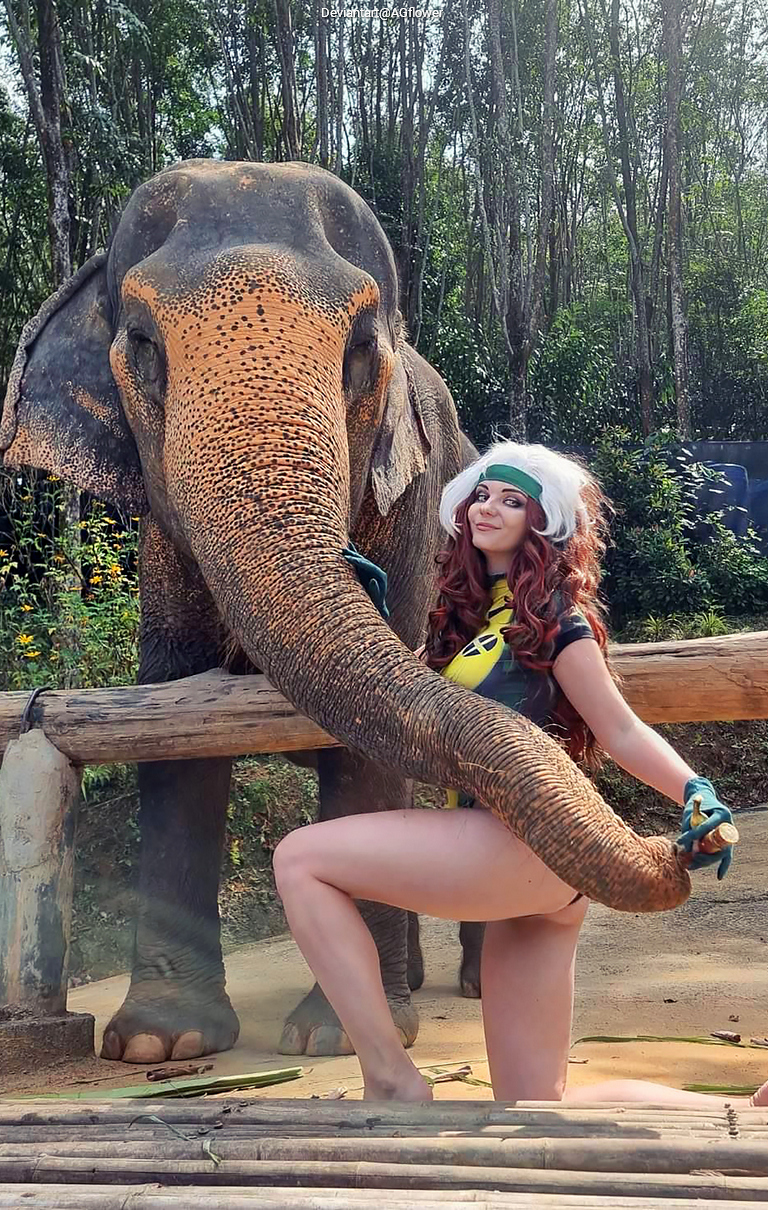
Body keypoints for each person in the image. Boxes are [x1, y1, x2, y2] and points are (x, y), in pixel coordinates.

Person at [273, 440, 751, 1106]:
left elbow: (619, 730)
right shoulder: (472, 623)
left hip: (521, 842)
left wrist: (697, 793)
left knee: (301, 860)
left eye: (512, 500)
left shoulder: (556, 622)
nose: (488, 508)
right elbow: (400, 696)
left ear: (540, 523)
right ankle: (736, 1111)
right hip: (543, 881)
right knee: (533, 1107)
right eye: (483, 494)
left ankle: (388, 1075)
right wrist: (362, 608)